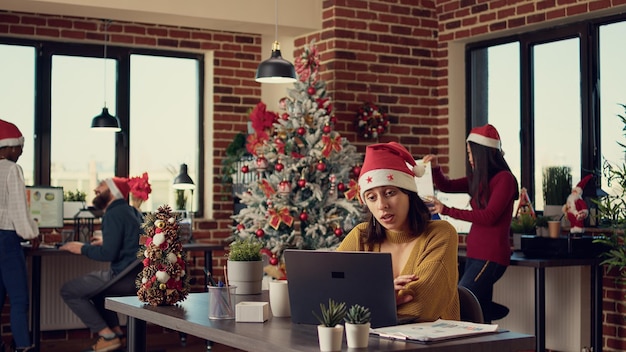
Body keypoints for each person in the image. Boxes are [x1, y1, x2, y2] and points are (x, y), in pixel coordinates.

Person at [338, 142, 460, 322]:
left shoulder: (441, 234)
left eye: (389, 193)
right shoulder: (360, 236)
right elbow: (329, 299)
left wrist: (366, 304)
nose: (382, 205)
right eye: (371, 197)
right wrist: (383, 299)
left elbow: (419, 309)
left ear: (409, 194)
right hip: (371, 342)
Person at [423, 123, 519, 323]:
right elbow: (446, 186)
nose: (469, 158)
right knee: (478, 315)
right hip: (474, 255)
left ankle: (491, 311)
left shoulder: (505, 180)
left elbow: (489, 216)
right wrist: (435, 168)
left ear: (482, 153)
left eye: (470, 153)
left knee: (461, 300)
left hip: (490, 257)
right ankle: (489, 314)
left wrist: (447, 210)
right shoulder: (479, 179)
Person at [60, 177, 143, 352]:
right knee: (97, 293)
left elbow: (108, 254)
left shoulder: (112, 214)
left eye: (101, 186)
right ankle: (117, 335)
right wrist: (106, 240)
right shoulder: (132, 211)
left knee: (69, 290)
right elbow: (131, 241)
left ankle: (107, 336)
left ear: (112, 191)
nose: (96, 189)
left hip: (121, 277)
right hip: (135, 277)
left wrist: (81, 248)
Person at [0, 119, 39, 352]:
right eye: (20, 147)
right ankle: (24, 347)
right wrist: (31, 233)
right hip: (6, 239)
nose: (22, 152)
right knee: (18, 299)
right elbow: (17, 208)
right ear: (9, 146)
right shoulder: (11, 169)